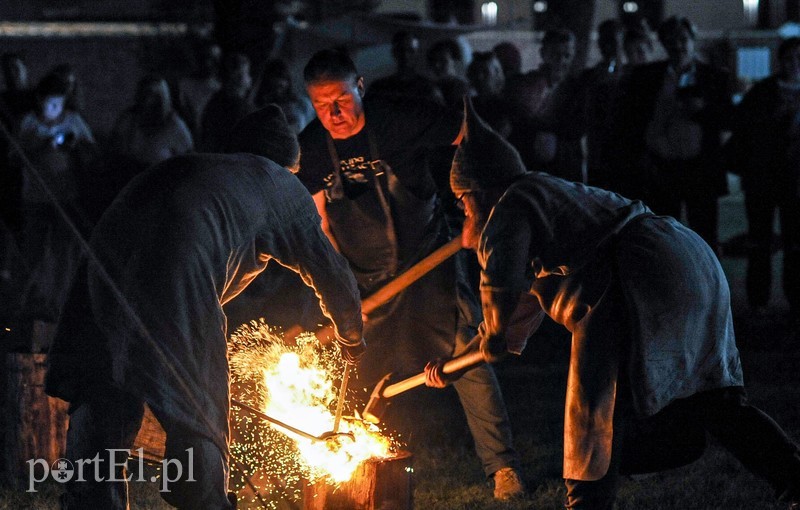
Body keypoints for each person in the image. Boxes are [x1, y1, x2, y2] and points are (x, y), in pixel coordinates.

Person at [426, 97, 800, 510]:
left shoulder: (511, 205)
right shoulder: (549, 197)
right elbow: (512, 317)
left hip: (637, 275)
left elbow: (499, 293)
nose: (463, 211)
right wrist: (455, 365)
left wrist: (491, 335)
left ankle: (587, 503)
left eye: (463, 201)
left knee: (594, 409)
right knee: (716, 400)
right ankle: (793, 477)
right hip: (691, 261)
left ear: (478, 190)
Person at [46, 105, 366, 509]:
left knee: (104, 388)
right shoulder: (277, 182)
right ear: (288, 164)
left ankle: (91, 498)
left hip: (100, 269)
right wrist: (351, 336)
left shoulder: (196, 167)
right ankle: (204, 500)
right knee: (198, 410)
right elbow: (332, 274)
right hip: (174, 276)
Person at [297, 48, 525, 500]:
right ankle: (350, 466)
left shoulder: (398, 119)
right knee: (358, 379)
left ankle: (502, 468)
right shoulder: (310, 150)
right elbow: (319, 226)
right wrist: (340, 292)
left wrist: (474, 206)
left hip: (429, 263)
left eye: (341, 98)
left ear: (359, 86)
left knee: (466, 359)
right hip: (364, 280)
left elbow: (470, 133)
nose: (334, 113)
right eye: (321, 104)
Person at [616, 16, 732, 252]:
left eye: (682, 39)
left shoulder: (714, 77)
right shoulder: (647, 77)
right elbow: (631, 121)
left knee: (705, 236)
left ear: (692, 40)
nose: (678, 45)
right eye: (671, 40)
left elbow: (728, 119)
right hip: (661, 169)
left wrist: (701, 111)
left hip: (700, 170)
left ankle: (709, 287)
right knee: (663, 237)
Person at [11, 71, 97, 324]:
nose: (53, 109)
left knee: (64, 256)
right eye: (49, 104)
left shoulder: (72, 120)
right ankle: (23, 304)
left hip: (65, 198)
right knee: (32, 253)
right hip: (36, 199)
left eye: (58, 104)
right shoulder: (27, 123)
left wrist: (74, 147)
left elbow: (92, 150)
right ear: (39, 100)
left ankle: (59, 304)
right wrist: (41, 147)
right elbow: (15, 158)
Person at [725, 37, 800, 321]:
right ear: (781, 61)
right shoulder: (763, 92)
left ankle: (795, 299)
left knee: (795, 243)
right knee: (760, 241)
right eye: (790, 58)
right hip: (764, 179)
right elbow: (744, 129)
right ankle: (759, 300)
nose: (795, 64)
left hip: (796, 181)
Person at [506, 29, 583, 183]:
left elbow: (578, 127)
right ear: (544, 53)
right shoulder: (524, 85)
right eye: (555, 55)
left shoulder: (577, 89)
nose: (561, 61)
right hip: (530, 168)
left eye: (566, 55)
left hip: (565, 172)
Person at [109, 74, 193, 173]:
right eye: (146, 94)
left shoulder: (175, 126)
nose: (149, 100)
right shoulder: (128, 120)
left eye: (154, 95)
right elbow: (114, 152)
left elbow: (188, 161)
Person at [367, 30, 444, 103]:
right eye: (401, 50)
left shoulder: (429, 89)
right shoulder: (378, 88)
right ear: (394, 53)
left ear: (417, 54)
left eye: (410, 51)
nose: (405, 55)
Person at [199, 51, 254, 153]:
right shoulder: (240, 108)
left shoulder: (216, 99)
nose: (250, 78)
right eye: (247, 73)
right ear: (238, 78)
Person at [251, 57, 315, 134]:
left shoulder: (302, 104)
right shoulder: (263, 109)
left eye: (282, 78)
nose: (279, 83)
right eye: (274, 80)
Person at [176, 39, 222, 138]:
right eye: (207, 58)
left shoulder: (221, 86)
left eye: (215, 59)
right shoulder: (186, 84)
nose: (210, 63)